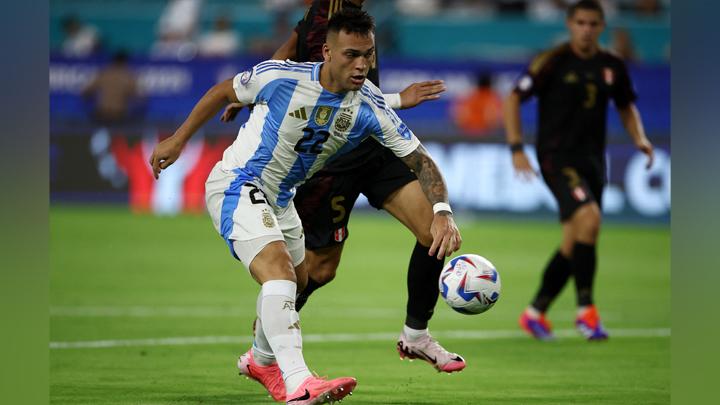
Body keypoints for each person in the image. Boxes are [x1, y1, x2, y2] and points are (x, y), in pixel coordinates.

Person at [150, 9, 462, 404]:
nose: (362, 64)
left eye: (368, 54)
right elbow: (223, 91)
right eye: (352, 54)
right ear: (326, 52)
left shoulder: (370, 105)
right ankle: (300, 382)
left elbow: (421, 160)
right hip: (238, 183)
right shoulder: (281, 76)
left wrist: (442, 212)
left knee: (300, 280)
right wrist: (177, 140)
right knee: (279, 275)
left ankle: (261, 361)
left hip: (282, 198)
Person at [223, 0, 466, 378]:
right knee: (320, 269)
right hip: (328, 153)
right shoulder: (321, 14)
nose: (362, 59)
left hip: (373, 140)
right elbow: (290, 63)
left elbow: (357, 96)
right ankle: (265, 345)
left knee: (432, 231)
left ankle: (416, 334)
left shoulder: (361, 21)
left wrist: (399, 101)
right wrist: (251, 94)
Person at [504, 0, 654, 341]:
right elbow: (513, 97)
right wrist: (516, 148)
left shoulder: (612, 65)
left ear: (601, 27)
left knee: (576, 240)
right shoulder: (553, 61)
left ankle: (535, 312)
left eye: (592, 24)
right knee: (590, 219)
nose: (586, 29)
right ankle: (586, 311)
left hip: (593, 162)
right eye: (580, 23)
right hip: (557, 158)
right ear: (570, 24)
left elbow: (626, 105)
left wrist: (640, 139)